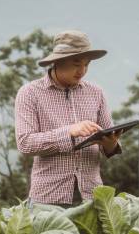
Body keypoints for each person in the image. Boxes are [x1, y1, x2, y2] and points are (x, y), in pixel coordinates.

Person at [14, 30, 122, 209]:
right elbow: (25, 143)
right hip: (48, 200)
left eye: (87, 64)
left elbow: (109, 146)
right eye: (76, 63)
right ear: (57, 61)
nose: (82, 70)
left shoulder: (96, 93)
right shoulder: (30, 93)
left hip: (92, 196)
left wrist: (110, 143)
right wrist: (69, 132)